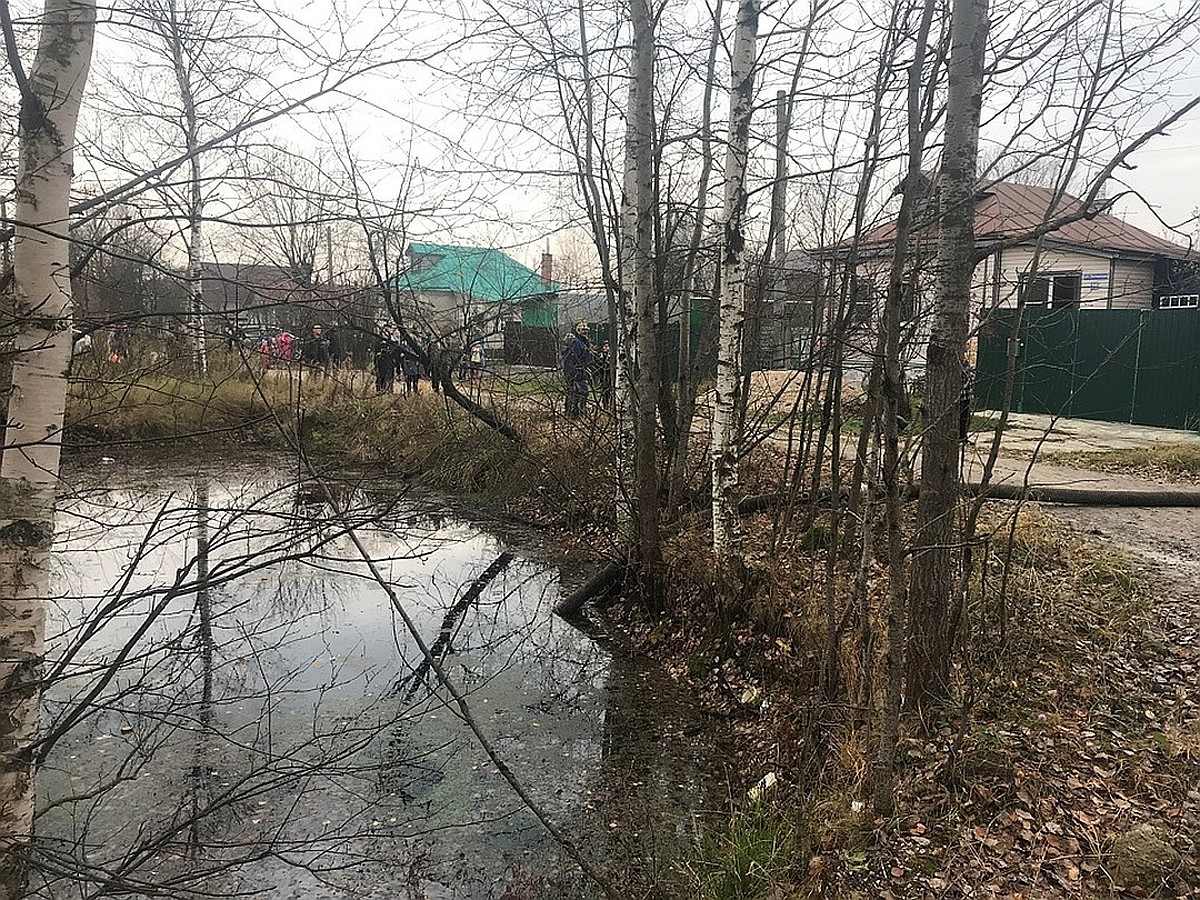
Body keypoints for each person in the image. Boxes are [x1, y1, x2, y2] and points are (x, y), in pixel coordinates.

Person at [562, 320, 591, 419]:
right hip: (576, 373)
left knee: (578, 393)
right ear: (577, 330)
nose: (585, 331)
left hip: (581, 372)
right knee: (579, 393)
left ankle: (575, 414)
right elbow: (571, 359)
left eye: (586, 329)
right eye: (582, 329)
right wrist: (574, 373)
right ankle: (575, 415)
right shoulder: (576, 342)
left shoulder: (584, 342)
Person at [594, 339, 614, 407]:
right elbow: (597, 365)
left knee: (611, 389)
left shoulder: (612, 356)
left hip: (610, 375)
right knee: (604, 391)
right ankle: (605, 404)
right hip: (602, 376)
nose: (606, 348)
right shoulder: (600, 356)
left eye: (608, 346)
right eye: (605, 346)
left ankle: (611, 404)